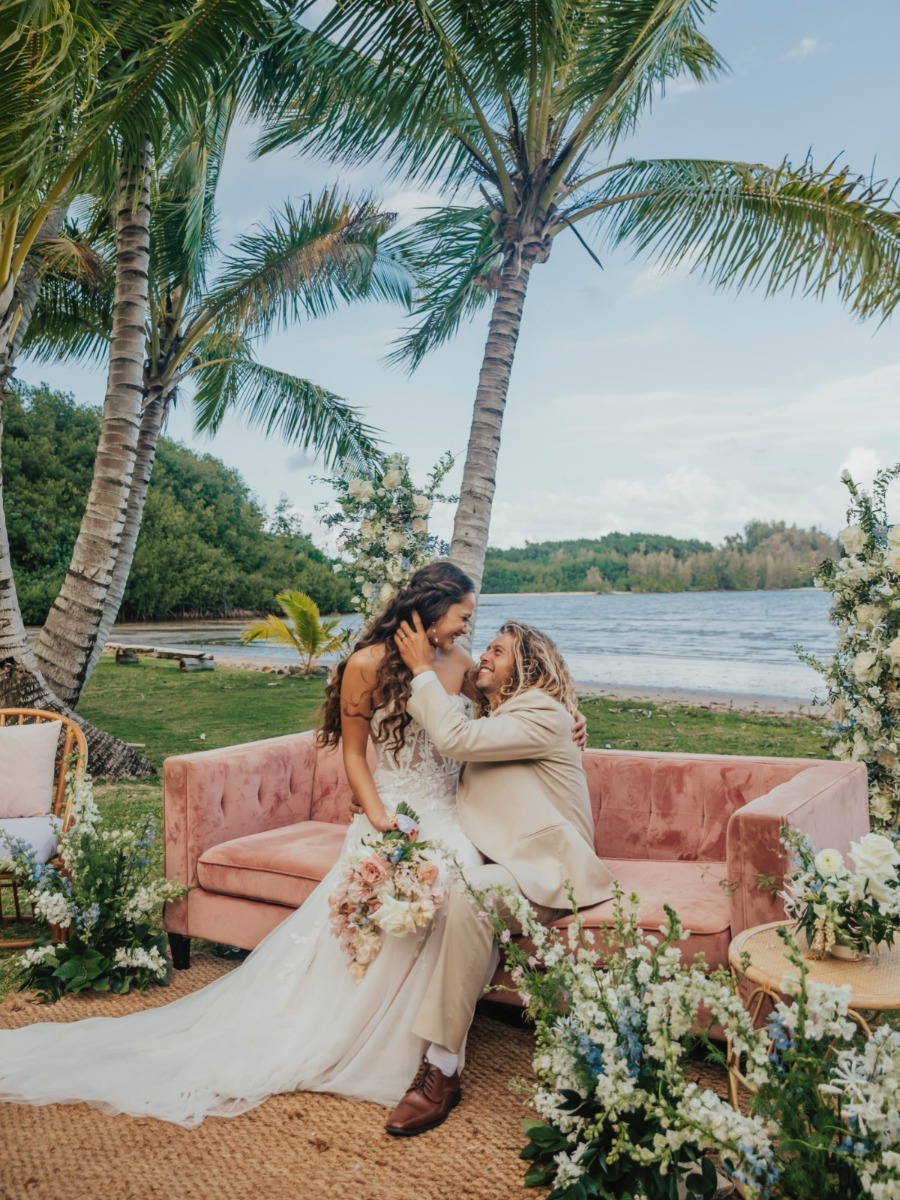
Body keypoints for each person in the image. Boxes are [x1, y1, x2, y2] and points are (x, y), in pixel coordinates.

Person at [0, 562, 484, 1125]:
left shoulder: (462, 664)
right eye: (462, 617)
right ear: (431, 607)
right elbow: (354, 753)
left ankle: (431, 1052)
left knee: (456, 889)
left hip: (448, 818)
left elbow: (504, 713)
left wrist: (563, 716)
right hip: (389, 816)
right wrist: (376, 815)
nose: (467, 629)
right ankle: (371, 1039)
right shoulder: (367, 666)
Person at [381, 614, 615, 1136]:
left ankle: (440, 1069)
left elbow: (454, 737)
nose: (483, 655)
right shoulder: (504, 719)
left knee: (476, 893)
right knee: (469, 888)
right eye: (483, 645)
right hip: (506, 869)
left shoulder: (543, 712)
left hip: (550, 872)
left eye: (499, 651)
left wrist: (420, 667)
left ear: (527, 668)